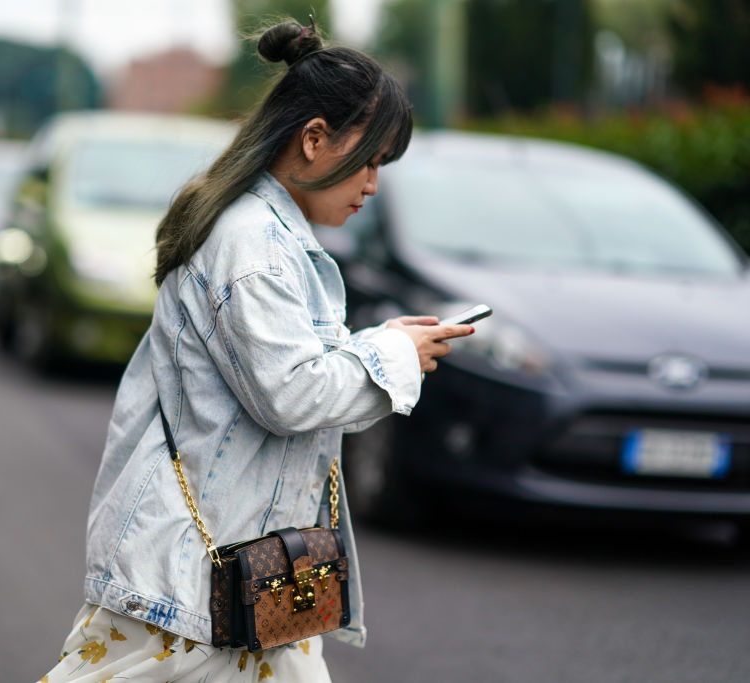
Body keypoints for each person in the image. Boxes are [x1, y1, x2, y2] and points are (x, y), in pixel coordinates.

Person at [36, 19, 475, 683]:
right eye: (373, 160)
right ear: (315, 139)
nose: (374, 185)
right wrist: (393, 357)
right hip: (198, 578)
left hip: (254, 572)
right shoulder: (255, 246)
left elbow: (273, 372)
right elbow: (290, 394)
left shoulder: (266, 235)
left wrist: (382, 347)